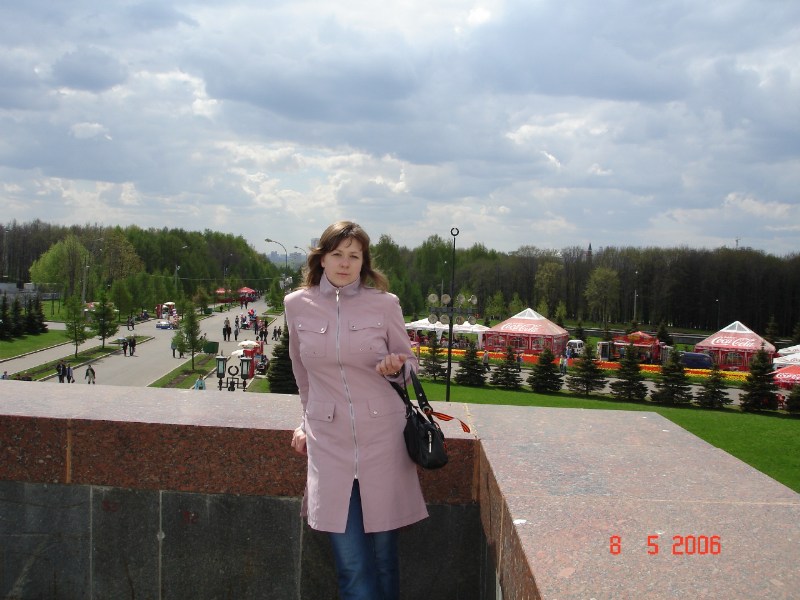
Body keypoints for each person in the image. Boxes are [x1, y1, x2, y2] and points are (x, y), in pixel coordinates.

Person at [287, 221, 426, 600]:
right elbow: (303, 375)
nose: (345, 263)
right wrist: (304, 422)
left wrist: (397, 367)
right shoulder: (296, 305)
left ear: (364, 262)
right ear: (322, 259)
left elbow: (411, 367)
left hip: (383, 440)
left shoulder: (384, 304)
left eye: (354, 255)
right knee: (352, 566)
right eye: (337, 254)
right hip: (328, 443)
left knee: (384, 559)